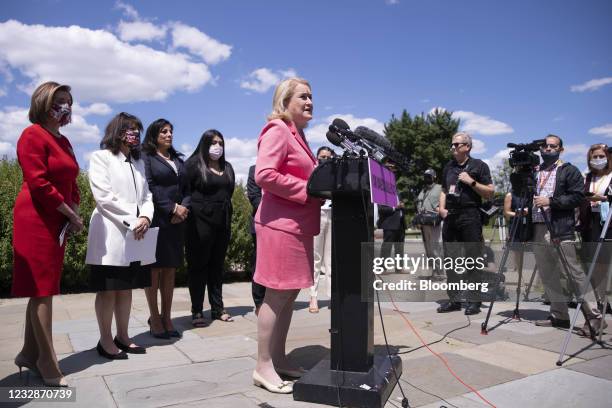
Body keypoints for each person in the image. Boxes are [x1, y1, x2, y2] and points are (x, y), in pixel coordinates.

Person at [12, 81, 83, 387]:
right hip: (37, 218)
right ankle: (45, 358)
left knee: (44, 286)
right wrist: (68, 211)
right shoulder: (32, 135)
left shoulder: (64, 141)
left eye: (69, 101)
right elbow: (38, 182)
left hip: (58, 221)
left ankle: (29, 352)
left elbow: (72, 179)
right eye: (60, 101)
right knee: (42, 289)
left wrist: (75, 208)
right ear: (44, 103)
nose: (66, 106)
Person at [253, 77, 320, 394]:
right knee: (276, 295)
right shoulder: (278, 129)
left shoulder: (300, 135)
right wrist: (308, 190)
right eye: (303, 97)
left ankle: (278, 359)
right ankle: (262, 365)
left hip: (298, 225)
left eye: (312, 97)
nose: (310, 102)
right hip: (279, 225)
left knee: (289, 295)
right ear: (285, 100)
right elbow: (264, 174)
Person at [86, 112, 154, 359]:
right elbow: (104, 197)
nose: (134, 134)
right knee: (108, 290)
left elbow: (147, 196)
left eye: (137, 129)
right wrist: (134, 220)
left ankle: (123, 336)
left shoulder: (138, 163)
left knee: (126, 289)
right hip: (110, 233)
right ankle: (105, 340)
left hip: (135, 233)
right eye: (129, 129)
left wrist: (146, 217)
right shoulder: (101, 157)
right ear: (117, 131)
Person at [531, 135, 605, 334]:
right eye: (544, 146)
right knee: (548, 274)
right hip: (537, 226)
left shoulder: (568, 170)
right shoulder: (535, 171)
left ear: (561, 150)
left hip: (559, 227)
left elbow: (578, 197)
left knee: (573, 273)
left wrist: (551, 201)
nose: (547, 149)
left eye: (552, 146)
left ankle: (595, 317)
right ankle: (559, 315)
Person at [142, 119, 190, 338]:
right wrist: (171, 208)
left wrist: (183, 209)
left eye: (171, 131)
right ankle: (154, 318)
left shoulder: (179, 160)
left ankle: (167, 316)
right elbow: (149, 187)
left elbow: (188, 188)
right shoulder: (147, 158)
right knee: (154, 271)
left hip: (177, 223)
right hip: (157, 219)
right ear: (154, 135)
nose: (169, 135)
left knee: (170, 270)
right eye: (164, 131)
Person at [438, 131, 494, 315]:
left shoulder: (479, 166)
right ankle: (454, 299)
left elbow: (489, 192)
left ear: (467, 147)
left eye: (457, 144)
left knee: (472, 259)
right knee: (451, 261)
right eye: (452, 144)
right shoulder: (448, 167)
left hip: (471, 215)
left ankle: (474, 301)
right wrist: (441, 209)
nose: (453, 147)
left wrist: (471, 182)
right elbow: (444, 190)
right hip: (451, 216)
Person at [185, 129, 235, 326]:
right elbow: (185, 191)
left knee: (216, 266)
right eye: (214, 143)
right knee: (198, 266)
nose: (218, 147)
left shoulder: (228, 167)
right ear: (204, 144)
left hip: (222, 222)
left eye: (221, 143)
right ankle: (197, 310)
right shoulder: (193, 165)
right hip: (199, 223)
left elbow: (229, 191)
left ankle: (217, 308)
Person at [579, 143, 612, 314]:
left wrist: (604, 198)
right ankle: (600, 300)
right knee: (592, 264)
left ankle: (605, 298)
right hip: (589, 223)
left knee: (604, 264)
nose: (598, 160)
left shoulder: (611, 176)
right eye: (594, 157)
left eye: (601, 156)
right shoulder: (587, 178)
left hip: (607, 222)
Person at [309, 146, 334, 313]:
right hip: (317, 214)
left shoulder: (334, 173)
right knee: (315, 259)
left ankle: (332, 297)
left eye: (327, 156)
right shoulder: (313, 172)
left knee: (330, 260)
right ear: (317, 157)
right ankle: (313, 297)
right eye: (322, 156)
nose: (324, 158)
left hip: (332, 215)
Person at [415, 168, 443, 280]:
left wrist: (440, 209)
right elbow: (419, 202)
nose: (427, 178)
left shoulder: (440, 188)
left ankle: (440, 273)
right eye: (425, 176)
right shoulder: (423, 190)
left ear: (434, 177)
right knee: (429, 249)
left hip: (435, 222)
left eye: (429, 176)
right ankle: (434, 272)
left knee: (436, 247)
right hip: (424, 222)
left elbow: (445, 202)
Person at [378, 163, 406, 272]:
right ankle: (382, 267)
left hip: (400, 222)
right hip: (389, 223)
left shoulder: (397, 190)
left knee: (400, 247)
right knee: (387, 246)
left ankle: (399, 267)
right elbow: (381, 209)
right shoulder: (381, 190)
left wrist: (402, 207)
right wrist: (395, 207)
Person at [247, 164, 266, 315]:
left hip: (281, 224)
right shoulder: (255, 169)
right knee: (260, 262)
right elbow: (254, 196)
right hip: (261, 223)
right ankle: (259, 302)